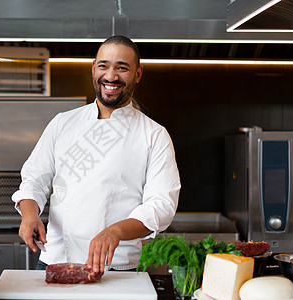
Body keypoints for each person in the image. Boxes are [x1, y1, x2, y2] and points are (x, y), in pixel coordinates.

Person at [12, 35, 180, 273]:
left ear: (138, 74)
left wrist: (115, 231)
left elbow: (161, 205)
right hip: (56, 259)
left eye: (122, 68)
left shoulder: (154, 135)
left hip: (116, 268)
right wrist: (29, 215)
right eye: (104, 66)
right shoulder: (63, 123)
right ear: (93, 68)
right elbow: (34, 179)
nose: (111, 76)